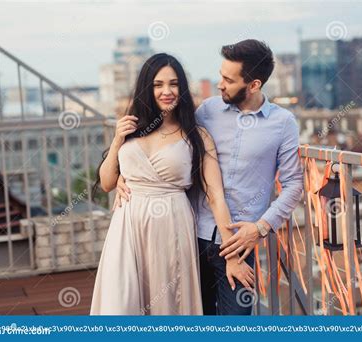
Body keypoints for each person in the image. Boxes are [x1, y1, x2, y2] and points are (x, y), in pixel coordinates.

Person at [115, 39, 303, 315]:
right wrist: (126, 175)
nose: (220, 84)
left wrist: (261, 227)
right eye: (220, 75)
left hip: (238, 243)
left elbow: (294, 184)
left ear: (254, 85)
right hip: (189, 235)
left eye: (228, 79)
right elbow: (166, 146)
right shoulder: (207, 111)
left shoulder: (283, 123)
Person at [90, 53, 254, 315]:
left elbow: (215, 196)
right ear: (147, 87)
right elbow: (108, 183)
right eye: (158, 84)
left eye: (173, 84)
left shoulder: (196, 135)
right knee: (121, 302)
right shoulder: (130, 129)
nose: (167, 91)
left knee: (168, 302)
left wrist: (231, 255)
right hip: (127, 225)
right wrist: (117, 141)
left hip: (171, 226)